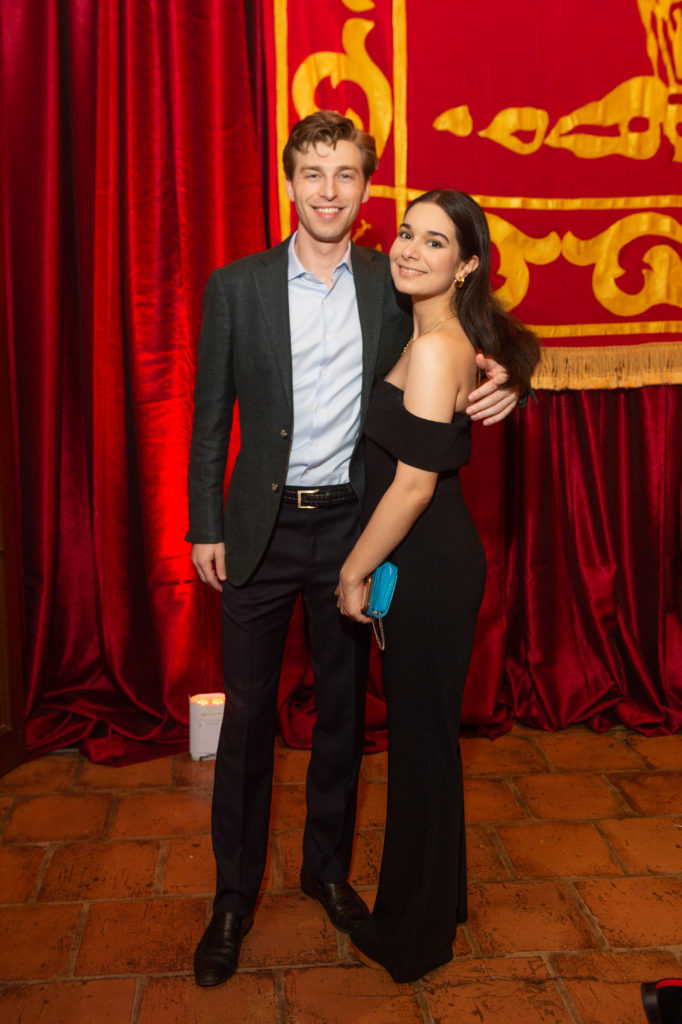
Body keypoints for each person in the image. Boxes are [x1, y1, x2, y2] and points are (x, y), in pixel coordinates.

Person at [187, 112, 521, 988]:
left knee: (343, 719)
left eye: (345, 174)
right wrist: (205, 523)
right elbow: (209, 414)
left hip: (354, 530)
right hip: (258, 533)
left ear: (365, 189)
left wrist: (509, 382)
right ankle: (233, 900)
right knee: (248, 723)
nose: (328, 191)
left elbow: (472, 336)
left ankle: (326, 872)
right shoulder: (237, 287)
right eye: (313, 173)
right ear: (289, 184)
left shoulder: (393, 280)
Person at [336, 189, 540, 983]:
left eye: (434, 242)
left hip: (425, 565)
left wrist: (353, 568)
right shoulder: (435, 334)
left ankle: (413, 937)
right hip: (429, 562)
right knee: (427, 745)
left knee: (420, 749)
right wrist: (516, 370)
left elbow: (415, 486)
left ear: (466, 266)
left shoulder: (435, 348)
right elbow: (513, 345)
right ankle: (436, 906)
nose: (410, 250)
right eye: (406, 233)